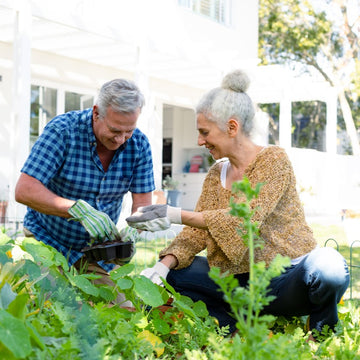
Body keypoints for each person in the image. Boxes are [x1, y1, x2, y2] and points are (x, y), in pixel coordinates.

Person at [126, 69, 349, 337]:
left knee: (329, 268)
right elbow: (197, 231)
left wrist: (174, 213)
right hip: (236, 283)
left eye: (204, 132)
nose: (200, 141)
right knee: (176, 274)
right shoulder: (215, 174)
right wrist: (164, 264)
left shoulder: (273, 161)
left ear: (232, 127)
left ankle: (322, 329)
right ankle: (231, 330)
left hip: (284, 280)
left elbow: (244, 220)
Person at [15, 78, 155, 303]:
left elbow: (144, 204)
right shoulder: (63, 131)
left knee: (121, 311)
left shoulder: (139, 144)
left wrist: (134, 229)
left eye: (128, 131)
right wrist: (77, 210)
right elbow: (24, 190)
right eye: (114, 130)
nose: (121, 140)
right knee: (62, 306)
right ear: (96, 112)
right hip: (46, 239)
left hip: (93, 253)